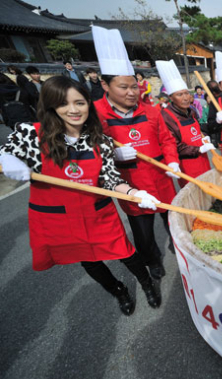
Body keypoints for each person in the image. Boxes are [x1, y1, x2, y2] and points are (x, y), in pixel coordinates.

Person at [0, 76, 161, 315]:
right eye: (64, 104)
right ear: (52, 107)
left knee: (126, 253)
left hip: (98, 213)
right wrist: (8, 160)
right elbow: (5, 152)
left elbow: (110, 180)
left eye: (80, 103)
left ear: (88, 104)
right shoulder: (32, 136)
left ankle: (146, 283)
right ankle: (118, 291)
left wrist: (135, 193)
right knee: (89, 260)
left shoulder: (101, 142)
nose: (73, 110)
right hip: (61, 219)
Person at [91, 26, 180, 280]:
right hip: (131, 183)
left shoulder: (151, 110)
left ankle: (180, 247)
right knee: (143, 231)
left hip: (161, 177)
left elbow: (166, 139)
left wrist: (173, 161)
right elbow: (90, 148)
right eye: (123, 87)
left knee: (172, 219)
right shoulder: (95, 113)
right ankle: (153, 260)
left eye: (134, 86)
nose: (132, 92)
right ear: (105, 85)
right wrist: (111, 155)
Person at [157, 60, 212, 188]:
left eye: (187, 93)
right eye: (180, 95)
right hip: (187, 164)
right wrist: (198, 149)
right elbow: (173, 145)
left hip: (203, 159)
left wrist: (203, 136)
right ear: (170, 97)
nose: (186, 98)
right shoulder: (166, 116)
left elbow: (196, 131)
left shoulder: (191, 110)